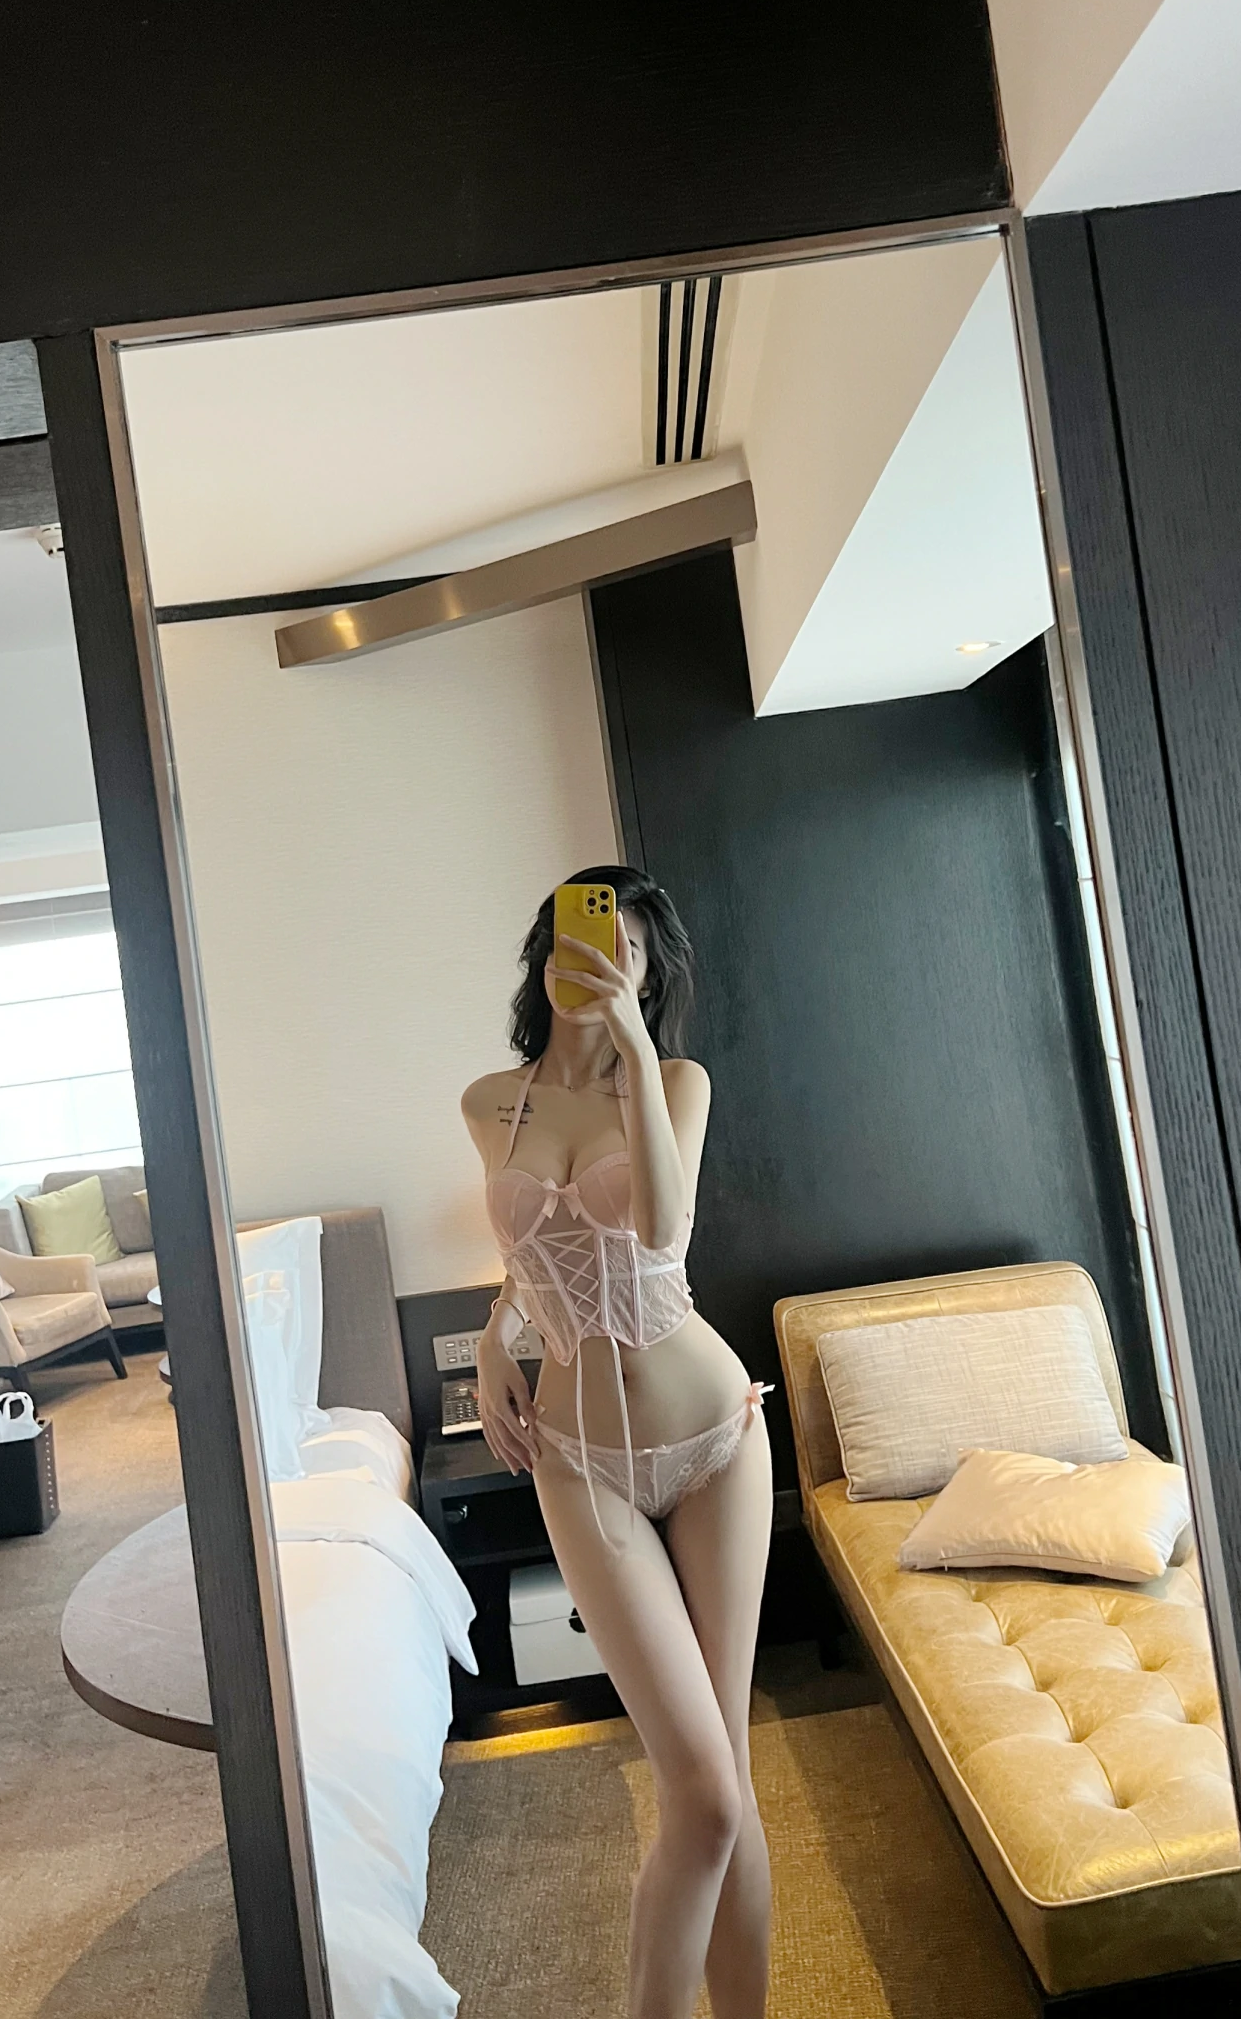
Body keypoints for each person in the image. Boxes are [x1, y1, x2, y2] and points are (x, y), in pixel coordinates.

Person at [465, 865, 773, 2019]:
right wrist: (494, 1335)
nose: (593, 958)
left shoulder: (675, 1080)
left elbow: (661, 1227)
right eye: (575, 936)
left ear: (650, 974)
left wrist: (635, 1053)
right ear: (542, 953)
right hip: (579, 1457)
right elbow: (529, 1252)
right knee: (701, 1792)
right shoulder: (488, 1103)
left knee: (725, 1777)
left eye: (625, 949)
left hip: (714, 1439)